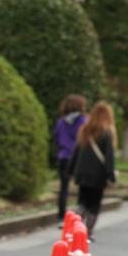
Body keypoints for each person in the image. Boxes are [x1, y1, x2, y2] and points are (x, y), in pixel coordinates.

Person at [69, 102, 117, 241]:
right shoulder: (107, 132)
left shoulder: (84, 129)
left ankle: (75, 227)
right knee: (94, 204)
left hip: (82, 172)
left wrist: (71, 169)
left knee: (82, 201)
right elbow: (109, 156)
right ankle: (87, 232)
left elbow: (76, 151)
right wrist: (111, 174)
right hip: (98, 175)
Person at [53, 94, 87, 221]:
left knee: (64, 188)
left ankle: (61, 216)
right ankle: (79, 215)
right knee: (82, 187)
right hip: (79, 158)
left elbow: (56, 138)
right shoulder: (83, 121)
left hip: (63, 156)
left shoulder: (61, 122)